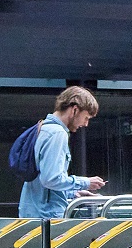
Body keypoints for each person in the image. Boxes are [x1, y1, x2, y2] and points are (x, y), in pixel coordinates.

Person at [20, 86, 104, 220]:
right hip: (47, 218)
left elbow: (43, 182)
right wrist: (85, 182)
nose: (85, 124)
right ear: (75, 110)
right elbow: (51, 179)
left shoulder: (42, 128)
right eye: (86, 117)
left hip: (34, 213)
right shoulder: (57, 133)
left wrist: (71, 192)